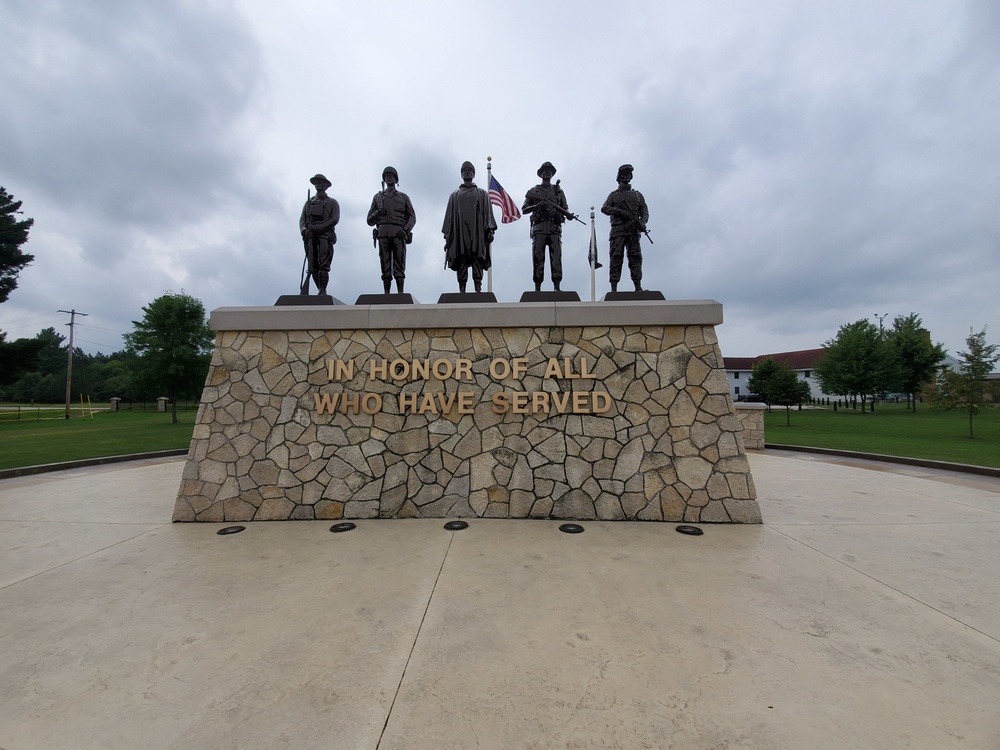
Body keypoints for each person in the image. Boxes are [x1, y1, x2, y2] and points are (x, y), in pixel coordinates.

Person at [442, 161, 497, 293]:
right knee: (461, 261)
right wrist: (448, 238)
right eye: (464, 171)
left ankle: (478, 289)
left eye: (469, 170)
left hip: (477, 234)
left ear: (473, 174)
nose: (467, 172)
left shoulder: (482, 194)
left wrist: (489, 230)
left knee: (477, 260)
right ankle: (462, 290)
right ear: (461, 174)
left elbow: (488, 214)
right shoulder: (454, 195)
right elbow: (449, 218)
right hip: (460, 234)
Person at [522, 161, 576, 292]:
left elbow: (565, 208)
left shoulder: (559, 191)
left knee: (556, 258)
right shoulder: (534, 191)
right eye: (544, 170)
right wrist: (536, 206)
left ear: (552, 173)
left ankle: (557, 287)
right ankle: (537, 289)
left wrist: (568, 215)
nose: (547, 172)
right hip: (539, 228)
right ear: (541, 174)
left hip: (554, 228)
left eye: (549, 170)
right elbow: (524, 209)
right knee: (538, 258)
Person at [366, 166, 416, 294]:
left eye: (391, 176)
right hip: (383, 233)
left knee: (399, 263)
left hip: (398, 233)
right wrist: (378, 212)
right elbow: (369, 220)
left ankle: (400, 292)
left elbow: (412, 217)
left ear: (396, 179)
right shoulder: (378, 197)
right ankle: (386, 292)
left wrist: (405, 230)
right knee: (385, 264)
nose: (389, 178)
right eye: (387, 176)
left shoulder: (403, 197)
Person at [600, 164, 648, 292]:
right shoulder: (614, 195)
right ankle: (614, 288)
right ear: (619, 177)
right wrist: (620, 212)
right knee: (616, 258)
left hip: (633, 231)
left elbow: (644, 211)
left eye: (628, 175)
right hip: (618, 231)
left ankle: (638, 286)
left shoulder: (637, 195)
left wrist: (642, 222)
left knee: (635, 258)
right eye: (623, 175)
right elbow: (604, 208)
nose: (626, 177)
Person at [299, 174, 340, 295]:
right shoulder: (308, 203)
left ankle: (323, 290)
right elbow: (302, 220)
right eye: (316, 182)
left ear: (326, 186)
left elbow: (335, 219)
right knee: (313, 265)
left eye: (321, 182)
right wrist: (304, 231)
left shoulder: (332, 202)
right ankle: (319, 290)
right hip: (310, 237)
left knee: (324, 265)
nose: (318, 184)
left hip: (324, 236)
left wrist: (319, 228)